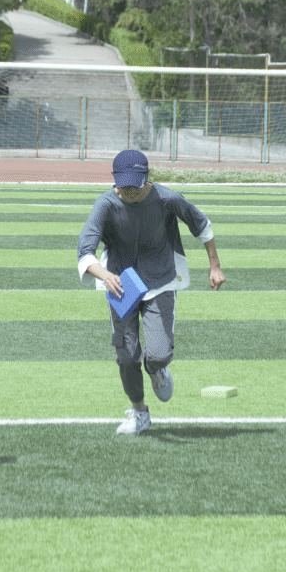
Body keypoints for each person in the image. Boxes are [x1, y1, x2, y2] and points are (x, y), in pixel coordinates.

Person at [77, 149, 225, 435]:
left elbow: (202, 226)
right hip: (121, 285)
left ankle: (156, 368)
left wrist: (215, 266)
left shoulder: (167, 198)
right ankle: (140, 412)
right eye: (123, 186)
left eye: (134, 186)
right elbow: (85, 251)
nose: (127, 192)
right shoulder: (105, 204)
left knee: (158, 353)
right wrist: (104, 274)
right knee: (126, 356)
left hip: (161, 280)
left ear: (147, 179)